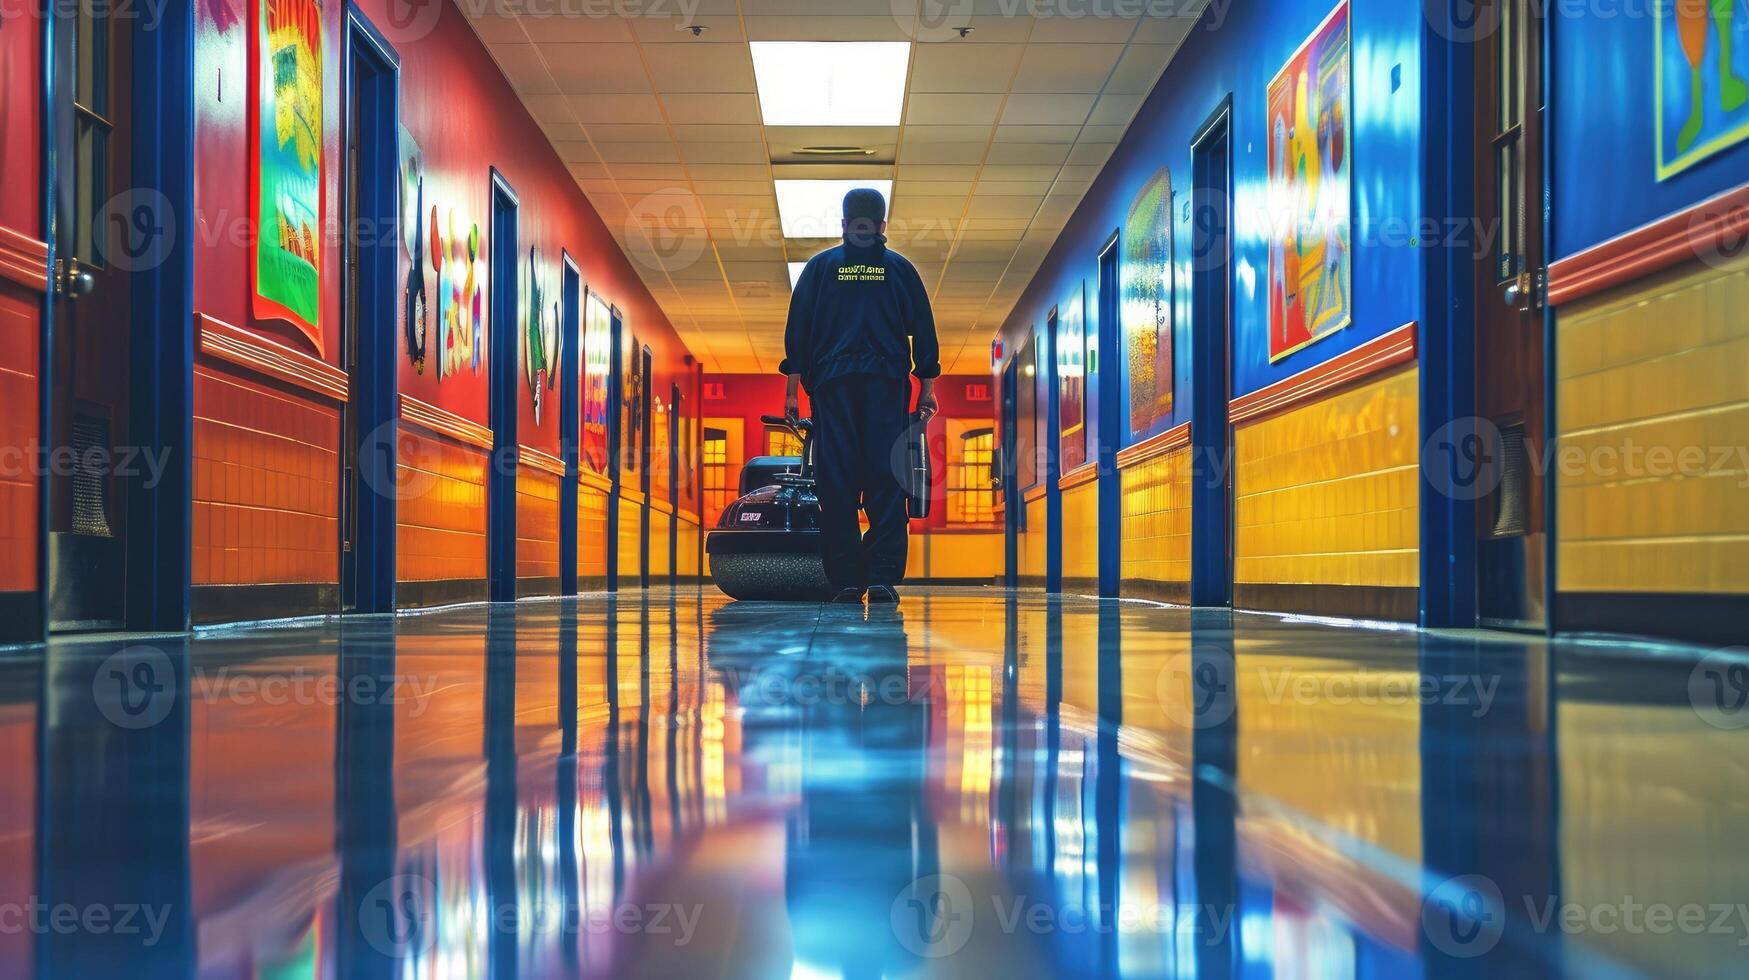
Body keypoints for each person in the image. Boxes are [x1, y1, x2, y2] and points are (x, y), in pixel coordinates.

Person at [782, 188, 940, 604]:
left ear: (843, 224)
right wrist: (927, 386)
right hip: (885, 386)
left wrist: (792, 392)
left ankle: (847, 581)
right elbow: (923, 329)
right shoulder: (900, 270)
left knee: (836, 481)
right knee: (887, 478)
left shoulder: (820, 269)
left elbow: (797, 332)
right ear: (883, 225)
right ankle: (882, 578)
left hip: (832, 388)